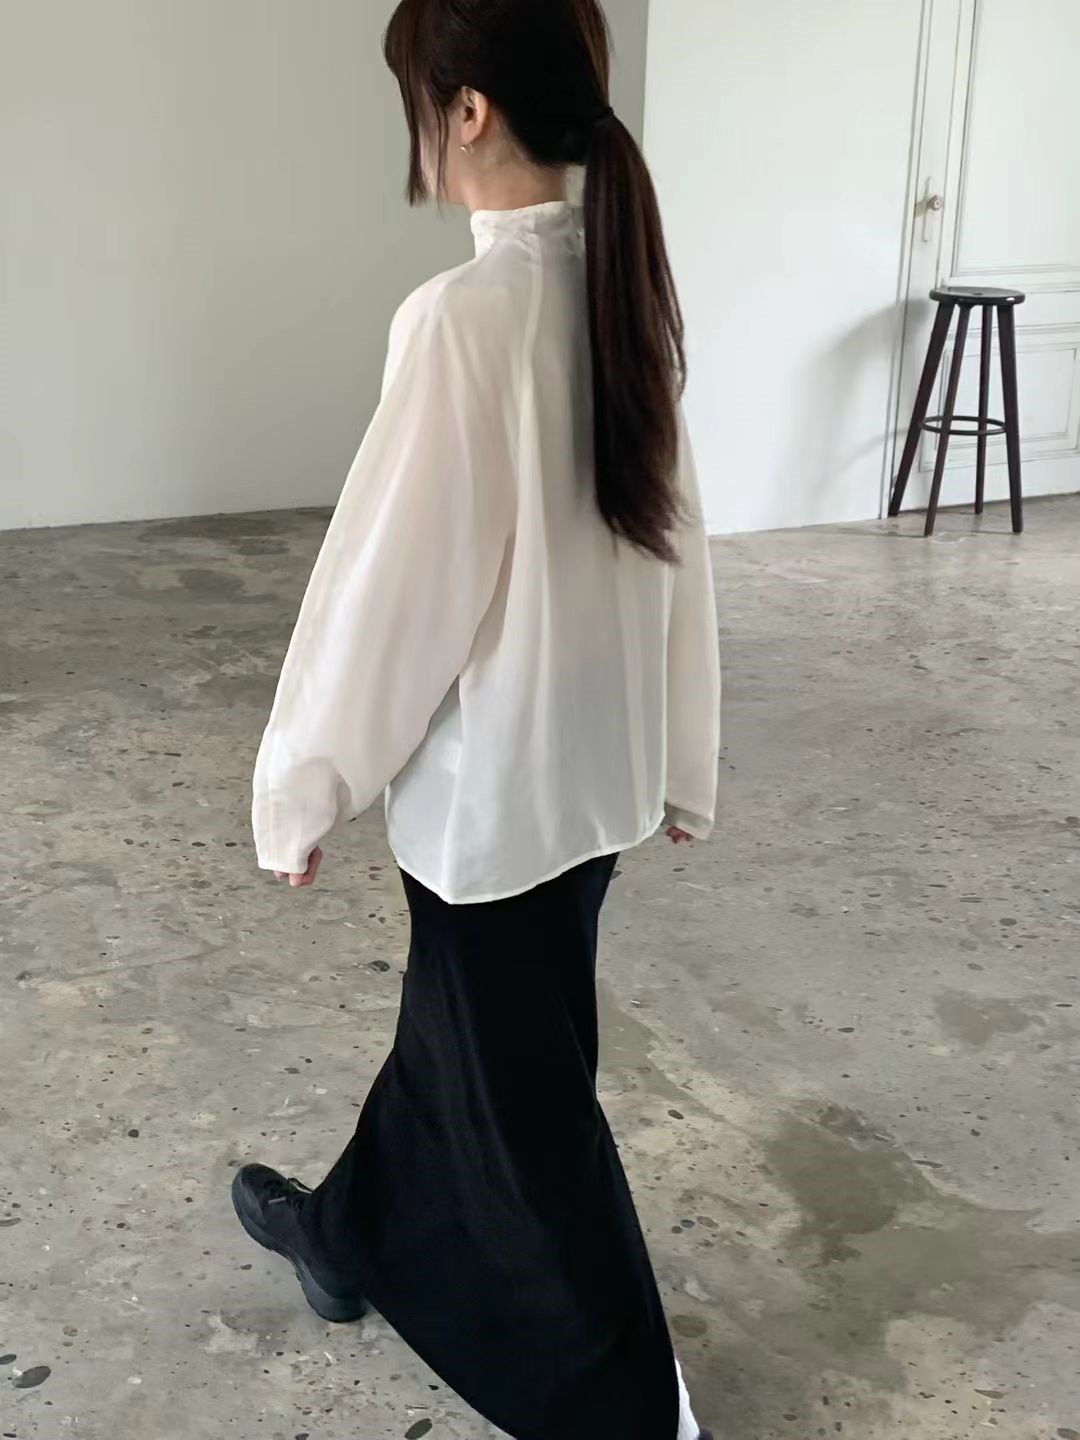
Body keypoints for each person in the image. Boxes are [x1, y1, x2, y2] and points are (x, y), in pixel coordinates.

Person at [232, 1, 720, 1436]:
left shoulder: (463, 319)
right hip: (594, 784)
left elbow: (389, 591)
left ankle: (638, 1413)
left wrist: (305, 784)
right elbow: (679, 553)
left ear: (467, 110)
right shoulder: (623, 291)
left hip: (495, 809)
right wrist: (683, 756)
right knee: (470, 1045)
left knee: (528, 1123)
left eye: (420, 98)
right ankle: (345, 1233)